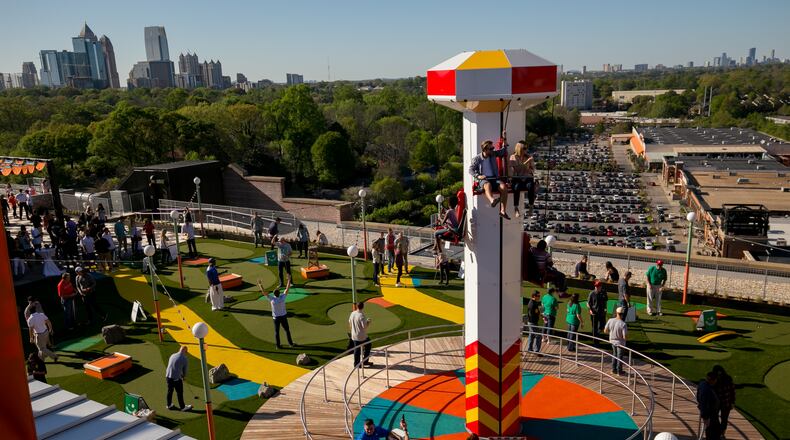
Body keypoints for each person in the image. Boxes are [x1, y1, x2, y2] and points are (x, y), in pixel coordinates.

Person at [469, 139, 509, 219]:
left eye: (493, 148)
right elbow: (471, 169)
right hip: (484, 179)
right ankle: (492, 201)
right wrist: (478, 176)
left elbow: (503, 152)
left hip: (494, 178)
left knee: (504, 188)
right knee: (487, 185)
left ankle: (503, 211)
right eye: (490, 149)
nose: (492, 150)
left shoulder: (493, 154)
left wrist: (504, 139)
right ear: (484, 149)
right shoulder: (477, 159)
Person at [259, 275, 296, 349]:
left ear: (274, 294)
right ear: (279, 293)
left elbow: (264, 292)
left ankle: (278, 346)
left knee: (277, 332)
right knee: (287, 330)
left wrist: (260, 284)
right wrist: (289, 280)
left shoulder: (272, 299)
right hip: (283, 316)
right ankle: (291, 344)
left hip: (276, 318)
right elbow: (287, 288)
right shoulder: (282, 297)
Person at [509, 141, 536, 218]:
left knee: (531, 186)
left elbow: (533, 169)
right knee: (516, 187)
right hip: (517, 178)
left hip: (527, 177)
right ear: (519, 149)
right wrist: (526, 163)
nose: (526, 150)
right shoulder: (513, 157)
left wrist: (528, 167)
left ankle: (531, 206)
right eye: (524, 148)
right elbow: (515, 170)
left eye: (526, 148)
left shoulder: (528, 157)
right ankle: (516, 208)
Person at [165, 346, 193, 412]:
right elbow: (185, 371)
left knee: (170, 391)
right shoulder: (184, 359)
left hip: (168, 377)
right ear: (185, 352)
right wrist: (183, 377)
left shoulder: (172, 355)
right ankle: (182, 407)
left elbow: (173, 366)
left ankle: (169, 405)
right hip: (176, 379)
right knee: (179, 393)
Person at [712, 365, 736, 438]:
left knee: (723, 419)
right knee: (718, 418)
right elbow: (732, 391)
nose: (719, 374)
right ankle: (720, 432)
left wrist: (732, 402)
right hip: (722, 403)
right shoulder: (725, 379)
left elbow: (732, 391)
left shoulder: (727, 379)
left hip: (725, 403)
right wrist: (732, 402)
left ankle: (721, 433)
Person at [604, 306, 628, 374]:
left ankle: (613, 369)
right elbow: (624, 337)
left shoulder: (610, 320)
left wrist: (612, 333)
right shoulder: (623, 324)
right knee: (619, 357)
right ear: (622, 314)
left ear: (616, 312)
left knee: (614, 355)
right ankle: (619, 371)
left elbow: (605, 330)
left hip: (612, 341)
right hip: (620, 342)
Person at [697, 371, 721, 440]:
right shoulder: (705, 389)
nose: (716, 381)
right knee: (712, 433)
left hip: (711, 414)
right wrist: (706, 418)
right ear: (712, 380)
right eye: (716, 380)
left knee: (715, 431)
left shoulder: (704, 385)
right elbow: (704, 403)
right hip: (710, 415)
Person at [349, 301, 373, 367]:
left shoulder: (352, 313)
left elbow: (350, 322)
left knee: (357, 349)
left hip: (354, 335)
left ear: (357, 306)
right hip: (361, 336)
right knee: (368, 345)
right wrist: (368, 321)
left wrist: (352, 331)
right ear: (363, 307)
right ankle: (365, 361)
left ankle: (357, 364)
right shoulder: (361, 316)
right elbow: (364, 327)